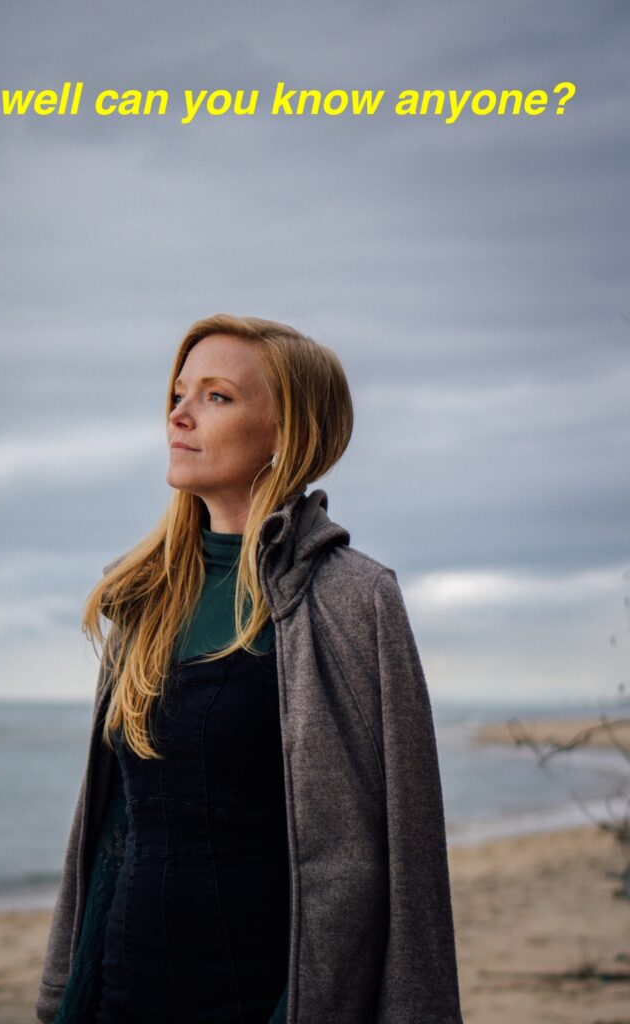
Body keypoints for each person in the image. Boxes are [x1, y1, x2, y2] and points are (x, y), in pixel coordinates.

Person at [36, 314, 463, 1024]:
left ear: (286, 432)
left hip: (273, 999)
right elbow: (113, 832)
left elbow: (405, 855)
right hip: (124, 992)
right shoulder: (143, 595)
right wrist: (66, 999)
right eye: (178, 394)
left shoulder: (353, 599)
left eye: (217, 396)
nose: (178, 413)